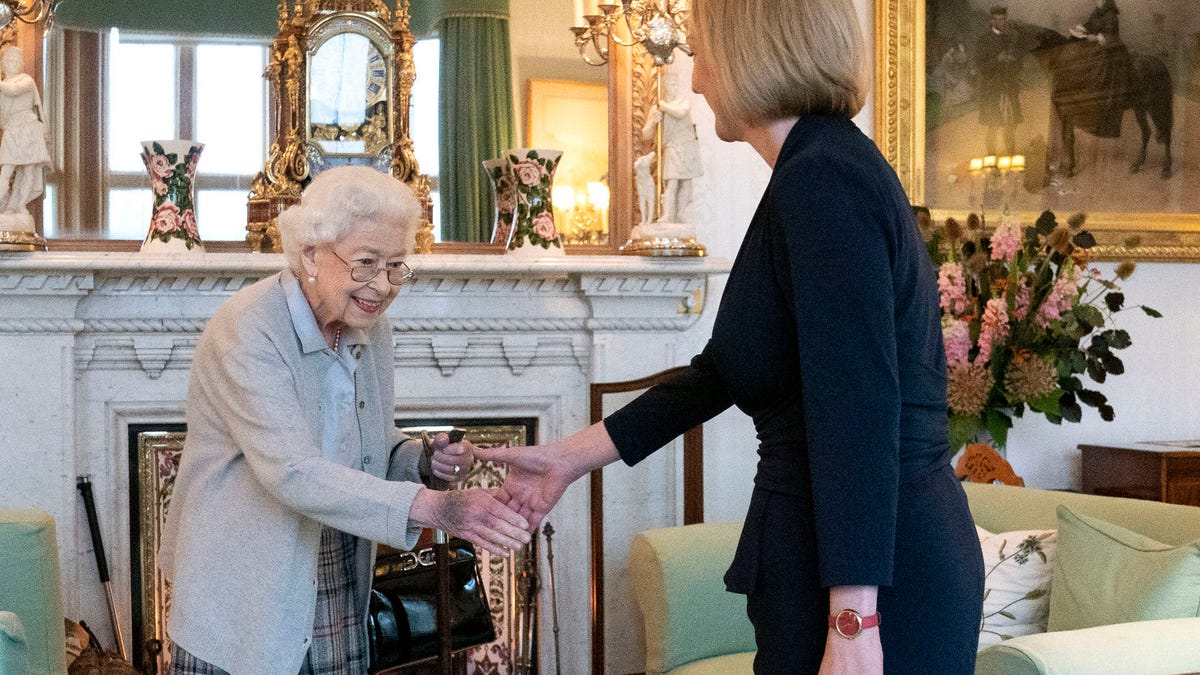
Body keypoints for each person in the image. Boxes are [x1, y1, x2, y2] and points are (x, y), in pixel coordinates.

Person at [477, 0, 985, 672]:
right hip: (837, 561)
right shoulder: (812, 171)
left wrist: (854, 619)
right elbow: (724, 371)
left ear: (753, 53)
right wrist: (571, 457)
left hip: (881, 579)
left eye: (703, 53)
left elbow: (856, 409)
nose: (696, 81)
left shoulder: (823, 178)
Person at [158, 165, 531, 674]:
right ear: (310, 254)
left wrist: (423, 460)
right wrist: (436, 509)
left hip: (337, 567)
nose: (382, 285)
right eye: (365, 263)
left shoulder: (367, 326)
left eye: (396, 266)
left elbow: (369, 443)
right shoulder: (247, 329)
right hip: (246, 582)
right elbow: (291, 470)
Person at [640, 71, 702, 224]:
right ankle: (668, 215)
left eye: (675, 85)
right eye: (670, 85)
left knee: (686, 184)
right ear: (665, 87)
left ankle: (680, 213)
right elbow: (646, 134)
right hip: (672, 148)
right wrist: (654, 122)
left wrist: (664, 107)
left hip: (687, 146)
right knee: (672, 182)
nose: (673, 88)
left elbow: (681, 113)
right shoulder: (657, 109)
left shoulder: (682, 103)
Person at [1069, 0, 1132, 138]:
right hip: (1098, 46)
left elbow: (1111, 36)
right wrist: (1080, 30)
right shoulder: (1097, 12)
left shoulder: (1110, 15)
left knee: (1098, 69)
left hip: (1112, 51)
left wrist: (1094, 37)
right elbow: (1090, 25)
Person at [0, 46, 51, 214]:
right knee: (7, 168)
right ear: (3, 64)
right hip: (12, 131)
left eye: (16, 60)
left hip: (29, 130)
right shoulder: (3, 87)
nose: (12, 63)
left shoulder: (26, 80)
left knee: (29, 170)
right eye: (9, 60)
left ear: (21, 63)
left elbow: (13, 91)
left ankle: (20, 205)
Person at [975, 6, 1023, 155]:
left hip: (1009, 89)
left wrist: (1014, 61)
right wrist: (998, 59)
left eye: (1003, 19)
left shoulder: (1012, 39)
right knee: (993, 126)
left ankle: (1010, 158)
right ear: (991, 20)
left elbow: (1020, 64)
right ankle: (991, 160)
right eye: (997, 19)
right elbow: (981, 66)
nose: (1001, 22)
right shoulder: (983, 41)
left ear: (1006, 19)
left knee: (1010, 125)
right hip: (992, 90)